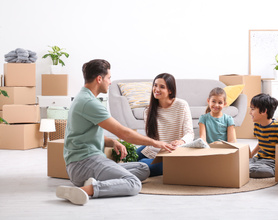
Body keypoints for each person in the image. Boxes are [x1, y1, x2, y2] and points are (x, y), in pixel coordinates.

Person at [56, 59, 175, 206]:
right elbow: (124, 133)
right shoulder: (89, 103)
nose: (110, 82)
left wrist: (113, 142)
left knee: (143, 168)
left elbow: (85, 134)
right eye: (109, 78)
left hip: (88, 161)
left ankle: (95, 179)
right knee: (133, 183)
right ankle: (86, 189)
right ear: (99, 79)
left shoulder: (83, 98)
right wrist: (155, 142)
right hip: (84, 163)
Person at [136, 73, 194, 176]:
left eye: (162, 87)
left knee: (142, 165)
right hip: (156, 147)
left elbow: (190, 133)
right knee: (129, 156)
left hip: (173, 151)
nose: (157, 89)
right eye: (155, 85)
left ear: (170, 90)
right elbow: (152, 138)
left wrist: (181, 141)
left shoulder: (181, 105)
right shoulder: (148, 111)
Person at [249, 93, 278, 178]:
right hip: (259, 158)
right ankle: (245, 169)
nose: (249, 112)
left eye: (252, 109)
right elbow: (261, 143)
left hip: (272, 161)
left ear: (264, 111)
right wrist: (250, 155)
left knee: (261, 171)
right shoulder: (257, 125)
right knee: (240, 163)